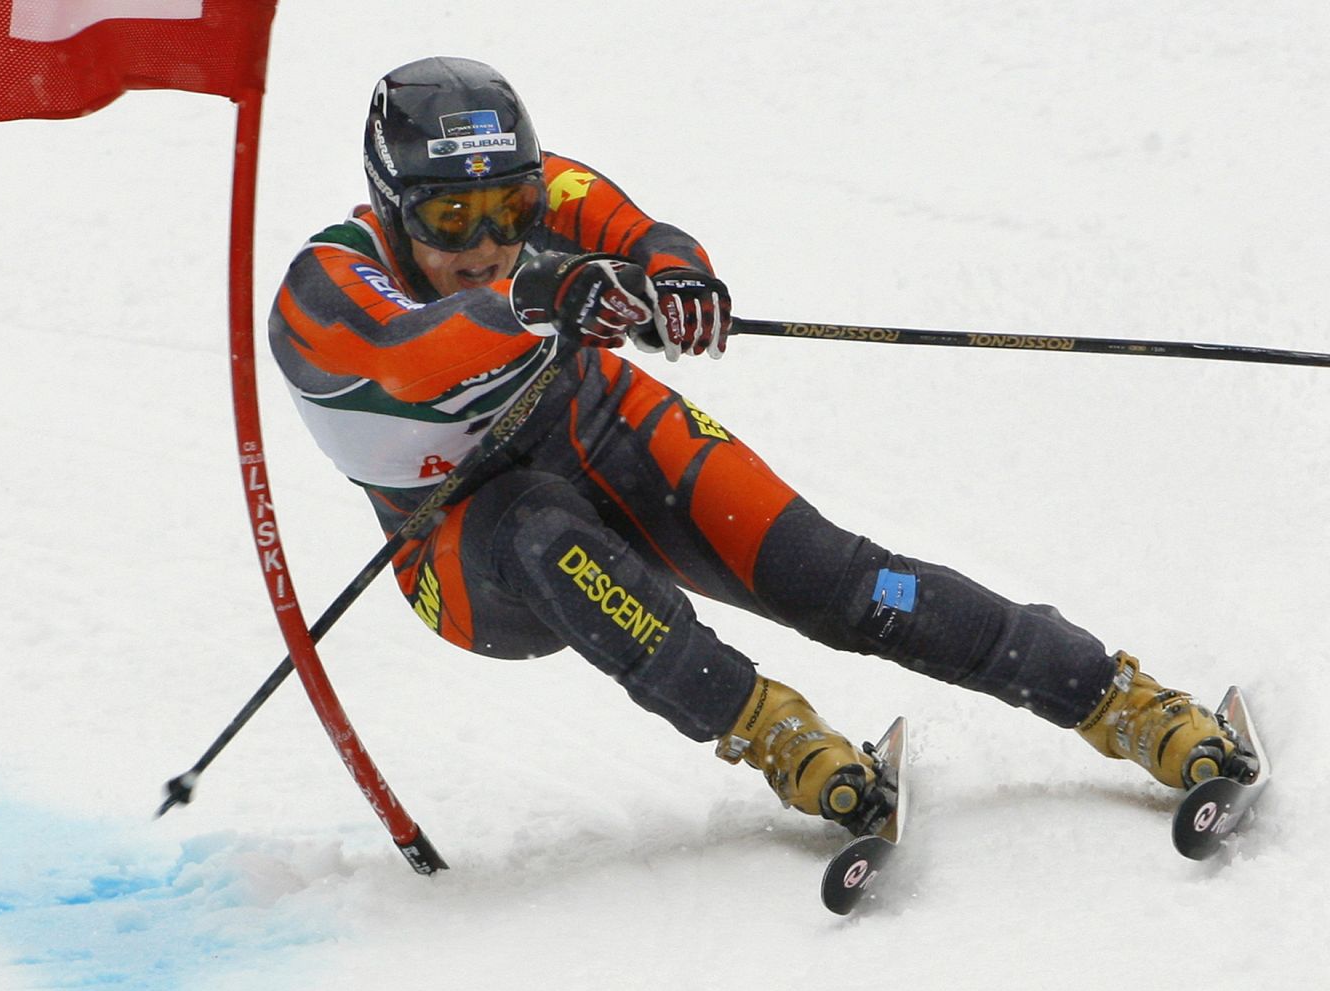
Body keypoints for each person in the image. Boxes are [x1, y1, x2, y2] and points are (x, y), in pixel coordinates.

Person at [267, 56, 1255, 834]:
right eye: (449, 216)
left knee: (838, 579)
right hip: (460, 544)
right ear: (392, 205)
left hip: (590, 419)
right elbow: (408, 358)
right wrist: (536, 291)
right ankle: (775, 732)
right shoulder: (323, 288)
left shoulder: (538, 194)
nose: (486, 235)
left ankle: (1117, 696)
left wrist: (676, 274)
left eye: (510, 210)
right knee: (543, 532)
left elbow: (634, 228)